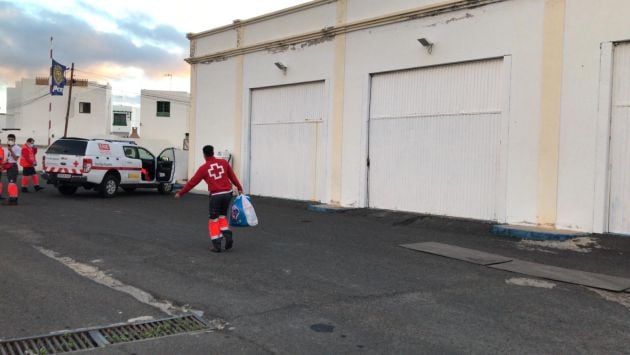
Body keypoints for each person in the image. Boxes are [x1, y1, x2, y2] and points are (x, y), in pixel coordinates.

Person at [175, 145, 243, 253]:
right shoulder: (224, 163)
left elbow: (192, 182)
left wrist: (181, 193)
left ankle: (217, 245)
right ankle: (228, 235)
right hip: (227, 194)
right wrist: (239, 188)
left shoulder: (203, 168)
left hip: (216, 196)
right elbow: (232, 177)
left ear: (204, 155)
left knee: (213, 220)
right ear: (213, 152)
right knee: (222, 216)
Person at [3, 134, 21, 205]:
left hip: (13, 166)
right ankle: (11, 198)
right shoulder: (6, 148)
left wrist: (11, 150)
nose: (10, 141)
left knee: (12, 183)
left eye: (11, 139)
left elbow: (16, 158)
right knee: (10, 183)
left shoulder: (17, 148)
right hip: (8, 166)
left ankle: (14, 200)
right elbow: (7, 158)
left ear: (14, 140)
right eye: (9, 139)